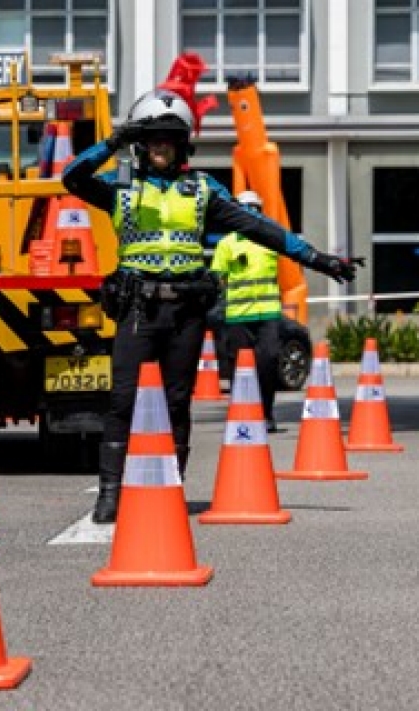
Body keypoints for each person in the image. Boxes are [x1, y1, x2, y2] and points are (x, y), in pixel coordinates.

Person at [62, 88, 361, 523]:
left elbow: (262, 229)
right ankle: (109, 494)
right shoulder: (120, 186)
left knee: (177, 402)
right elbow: (71, 177)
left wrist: (317, 258)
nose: (161, 146)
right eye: (153, 138)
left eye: (169, 138)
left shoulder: (202, 190)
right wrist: (113, 142)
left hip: (185, 313)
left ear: (182, 145)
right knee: (122, 401)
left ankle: (170, 488)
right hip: (137, 310)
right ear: (142, 143)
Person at [209, 190, 284, 433]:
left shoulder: (271, 239)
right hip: (238, 315)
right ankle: (241, 413)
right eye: (246, 208)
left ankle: (266, 413)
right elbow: (218, 278)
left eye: (255, 208)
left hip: (268, 314)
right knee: (239, 368)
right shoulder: (227, 244)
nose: (251, 212)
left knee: (269, 363)